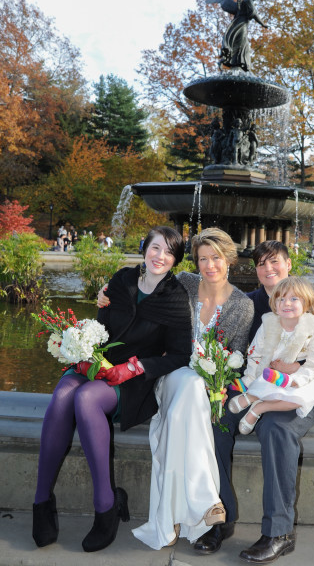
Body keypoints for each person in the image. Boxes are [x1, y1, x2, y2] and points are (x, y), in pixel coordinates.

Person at [32, 226, 192, 553]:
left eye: (169, 252)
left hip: (137, 380)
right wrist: (82, 341)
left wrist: (133, 368)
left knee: (86, 398)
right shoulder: (121, 281)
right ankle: (42, 501)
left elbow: (179, 355)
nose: (160, 256)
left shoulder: (175, 297)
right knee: (63, 395)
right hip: (100, 363)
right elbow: (100, 328)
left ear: (175, 259)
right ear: (145, 247)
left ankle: (106, 505)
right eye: (155, 247)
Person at [98, 228, 254, 549]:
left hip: (207, 384)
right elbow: (144, 286)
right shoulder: (184, 283)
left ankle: (188, 514)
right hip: (167, 374)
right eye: (202, 259)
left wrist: (220, 387)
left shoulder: (241, 306)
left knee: (198, 405)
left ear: (229, 260)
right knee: (188, 387)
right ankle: (207, 504)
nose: (209, 266)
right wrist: (105, 293)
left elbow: (237, 359)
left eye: (216, 259)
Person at [195, 240, 314, 563]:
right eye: (261, 264)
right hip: (257, 385)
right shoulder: (249, 304)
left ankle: (279, 532)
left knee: (276, 429)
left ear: (288, 264)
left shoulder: (310, 299)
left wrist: (297, 367)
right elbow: (233, 348)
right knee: (218, 417)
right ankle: (221, 518)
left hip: (300, 390)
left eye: (274, 262)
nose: (268, 269)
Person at [229, 277, 314, 435]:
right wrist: (250, 378)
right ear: (275, 304)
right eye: (281, 299)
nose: (286, 303)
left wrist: (297, 379)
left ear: (306, 303)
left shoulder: (311, 328)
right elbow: (255, 353)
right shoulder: (268, 323)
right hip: (270, 374)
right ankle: (252, 393)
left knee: (300, 398)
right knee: (269, 381)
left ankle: (258, 406)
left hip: (300, 377)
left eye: (294, 299)